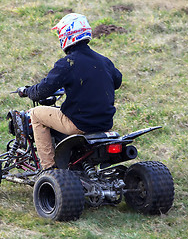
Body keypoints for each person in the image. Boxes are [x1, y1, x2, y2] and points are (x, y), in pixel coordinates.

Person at [18, 13, 122, 170]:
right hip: (104, 124)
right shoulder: (104, 61)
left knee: (36, 114)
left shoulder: (67, 64)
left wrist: (27, 91)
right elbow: (117, 81)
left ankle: (48, 169)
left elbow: (42, 91)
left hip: (79, 124)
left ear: (67, 35)